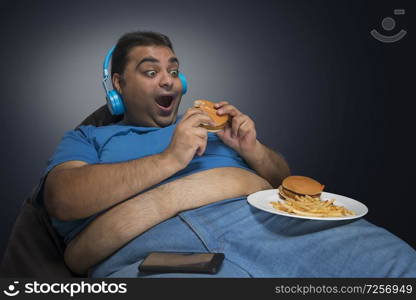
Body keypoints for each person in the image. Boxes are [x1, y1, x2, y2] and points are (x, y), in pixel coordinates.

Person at [41, 31, 416, 278]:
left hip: (269, 222)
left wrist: (252, 150)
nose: (168, 80)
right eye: (151, 71)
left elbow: (283, 182)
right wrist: (170, 159)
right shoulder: (88, 137)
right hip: (156, 251)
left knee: (400, 268)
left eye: (173, 70)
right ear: (118, 85)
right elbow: (62, 198)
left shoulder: (209, 126)